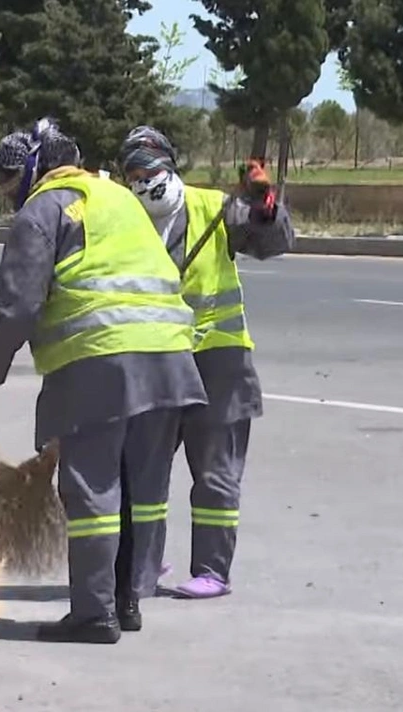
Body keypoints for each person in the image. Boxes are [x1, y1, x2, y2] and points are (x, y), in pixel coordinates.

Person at [0, 119, 207, 644]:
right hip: (168, 359)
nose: (9, 197)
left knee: (91, 490)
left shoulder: (43, 209)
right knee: (139, 488)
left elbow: (19, 304)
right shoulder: (116, 197)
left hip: (103, 362)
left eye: (9, 185)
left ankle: (94, 615)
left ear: (33, 170)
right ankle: (127, 601)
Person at [116, 126, 295, 599]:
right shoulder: (124, 218)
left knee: (215, 471)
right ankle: (142, 568)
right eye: (132, 174)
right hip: (155, 361)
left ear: (169, 167)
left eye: (148, 171)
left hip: (219, 361)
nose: (141, 182)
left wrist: (264, 204)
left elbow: (273, 241)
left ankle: (212, 570)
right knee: (144, 470)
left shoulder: (214, 208)